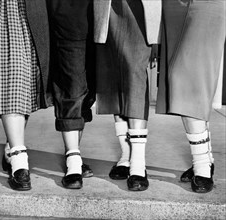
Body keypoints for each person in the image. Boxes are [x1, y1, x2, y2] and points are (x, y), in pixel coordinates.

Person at [0, 0, 51, 191]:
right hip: (2, 9)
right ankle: (19, 161)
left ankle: (12, 148)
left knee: (26, 80)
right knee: (12, 74)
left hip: (35, 9)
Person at [156, 0, 225, 193]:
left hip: (208, 4)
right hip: (173, 6)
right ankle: (206, 159)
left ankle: (202, 165)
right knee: (191, 79)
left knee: (187, 76)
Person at [93, 0, 161, 191]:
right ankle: (126, 155)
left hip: (140, 6)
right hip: (109, 6)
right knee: (114, 76)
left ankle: (138, 163)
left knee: (134, 75)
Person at [46, 0, 95, 189]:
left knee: (87, 93)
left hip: (100, 18)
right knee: (72, 88)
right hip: (69, 17)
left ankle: (74, 155)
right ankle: (73, 162)